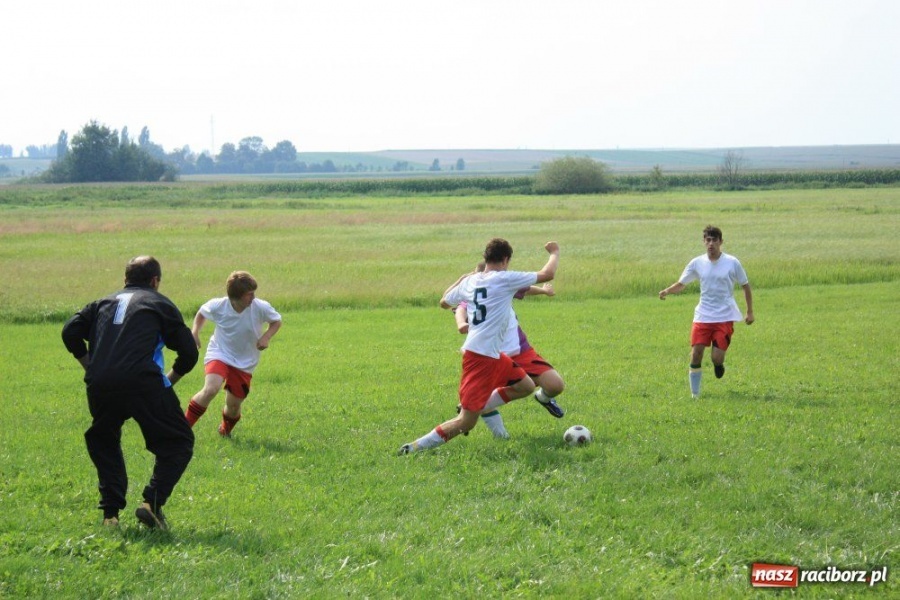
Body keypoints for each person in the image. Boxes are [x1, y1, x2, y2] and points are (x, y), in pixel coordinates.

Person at [61, 256, 198, 530]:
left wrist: (90, 366)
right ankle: (152, 504)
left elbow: (69, 331)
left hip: (101, 383)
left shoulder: (101, 303)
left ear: (125, 280)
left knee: (105, 441)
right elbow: (189, 352)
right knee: (178, 442)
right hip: (143, 381)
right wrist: (171, 378)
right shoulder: (160, 303)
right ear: (155, 281)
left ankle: (110, 515)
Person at [398, 238, 560, 454]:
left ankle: (484, 407)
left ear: (486, 258)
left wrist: (462, 279)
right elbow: (547, 274)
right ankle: (414, 448)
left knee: (527, 386)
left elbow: (444, 302)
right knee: (465, 422)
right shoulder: (504, 279)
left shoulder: (471, 281)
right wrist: (554, 252)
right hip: (480, 358)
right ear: (505, 260)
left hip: (493, 354)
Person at [453, 277, 566, 439]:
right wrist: (461, 324)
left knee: (556, 386)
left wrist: (543, 291)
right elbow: (460, 309)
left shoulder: (502, 288)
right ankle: (501, 437)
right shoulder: (471, 297)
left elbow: (524, 288)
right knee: (483, 396)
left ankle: (543, 398)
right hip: (490, 358)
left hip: (521, 351)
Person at [659, 225, 754, 398]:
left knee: (716, 358)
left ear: (721, 242)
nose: (711, 244)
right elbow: (682, 284)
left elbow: (745, 286)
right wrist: (667, 291)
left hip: (724, 317)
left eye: (714, 240)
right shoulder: (697, 263)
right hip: (703, 316)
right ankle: (695, 396)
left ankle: (719, 365)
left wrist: (749, 312)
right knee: (696, 354)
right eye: (708, 240)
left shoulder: (732, 262)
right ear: (704, 242)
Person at [184, 271, 282, 438]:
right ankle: (181, 429)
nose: (253, 297)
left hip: (245, 362)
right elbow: (202, 313)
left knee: (233, 405)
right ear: (235, 297)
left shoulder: (260, 307)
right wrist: (195, 332)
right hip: (219, 353)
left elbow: (276, 321)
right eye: (249, 294)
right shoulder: (219, 305)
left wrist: (266, 336)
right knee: (210, 389)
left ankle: (225, 430)